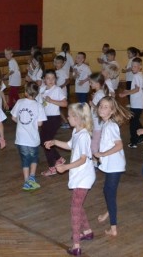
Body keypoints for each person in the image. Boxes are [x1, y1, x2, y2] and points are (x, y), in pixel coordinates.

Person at [44, 103, 96, 256]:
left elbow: (82, 159)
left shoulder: (84, 136)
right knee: (78, 204)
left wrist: (65, 167)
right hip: (79, 174)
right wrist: (54, 142)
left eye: (70, 115)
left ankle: (76, 245)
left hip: (84, 175)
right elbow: (69, 145)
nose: (67, 117)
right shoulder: (76, 131)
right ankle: (87, 231)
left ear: (78, 118)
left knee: (74, 208)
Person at [93, 96, 131, 237]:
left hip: (115, 165)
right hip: (111, 164)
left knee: (109, 193)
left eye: (106, 107)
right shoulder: (106, 124)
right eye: (101, 106)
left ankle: (113, 228)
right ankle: (108, 212)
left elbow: (119, 145)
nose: (102, 109)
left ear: (112, 110)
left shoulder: (111, 126)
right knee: (107, 190)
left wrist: (102, 154)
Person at [11, 82, 46, 191]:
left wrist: (21, 122)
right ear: (37, 93)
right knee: (34, 157)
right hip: (33, 138)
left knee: (25, 159)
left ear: (25, 92)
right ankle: (32, 176)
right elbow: (40, 123)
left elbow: (13, 117)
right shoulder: (38, 105)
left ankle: (26, 181)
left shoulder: (19, 102)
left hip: (21, 138)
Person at [38, 70, 68, 176]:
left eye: (53, 78)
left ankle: (52, 168)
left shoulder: (57, 89)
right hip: (45, 118)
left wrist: (51, 101)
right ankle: (58, 158)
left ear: (55, 79)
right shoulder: (42, 89)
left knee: (46, 143)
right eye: (48, 78)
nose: (50, 80)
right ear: (44, 79)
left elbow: (65, 103)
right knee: (43, 141)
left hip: (53, 118)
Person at [118, 57, 143, 148]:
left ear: (140, 67)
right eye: (132, 66)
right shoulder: (140, 75)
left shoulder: (137, 76)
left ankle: (134, 142)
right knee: (135, 120)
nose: (133, 68)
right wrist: (128, 91)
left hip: (137, 104)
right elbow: (138, 89)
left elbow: (137, 89)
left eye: (135, 66)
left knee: (133, 123)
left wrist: (125, 93)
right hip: (138, 103)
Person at [89, 72, 112, 155]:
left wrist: (92, 105)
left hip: (98, 124)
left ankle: (95, 158)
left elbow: (102, 109)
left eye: (91, 83)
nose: (90, 84)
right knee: (96, 141)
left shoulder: (100, 94)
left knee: (95, 143)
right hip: (96, 122)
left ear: (97, 84)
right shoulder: (99, 93)